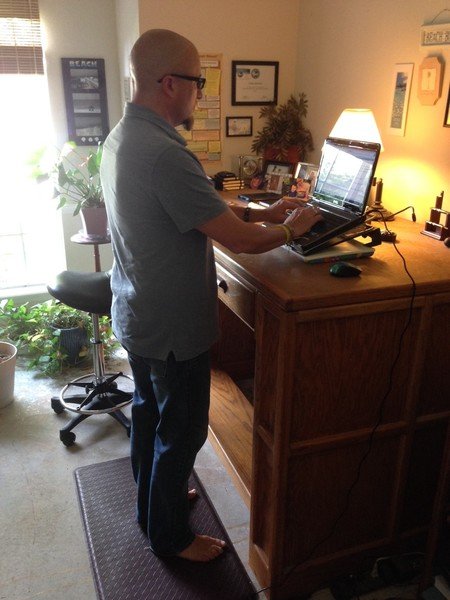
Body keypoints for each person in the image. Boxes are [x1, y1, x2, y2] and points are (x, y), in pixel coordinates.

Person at [100, 29, 322, 563]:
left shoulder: (123, 137)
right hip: (172, 324)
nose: (200, 93)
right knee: (183, 429)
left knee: (150, 413)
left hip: (138, 310)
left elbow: (203, 212)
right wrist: (296, 228)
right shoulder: (163, 153)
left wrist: (264, 212)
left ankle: (155, 501)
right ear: (169, 83)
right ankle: (171, 537)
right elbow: (241, 243)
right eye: (199, 83)